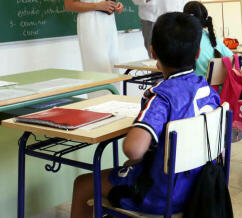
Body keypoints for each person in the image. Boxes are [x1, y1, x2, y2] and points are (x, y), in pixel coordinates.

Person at [70, 12, 221, 217]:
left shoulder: (161, 97)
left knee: (83, 184)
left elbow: (133, 149)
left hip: (161, 195)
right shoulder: (207, 91)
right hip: (201, 189)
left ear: (153, 52)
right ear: (197, 54)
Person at [182, 1, 233, 78]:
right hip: (216, 89)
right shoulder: (212, 39)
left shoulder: (182, 40)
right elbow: (233, 58)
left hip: (195, 88)